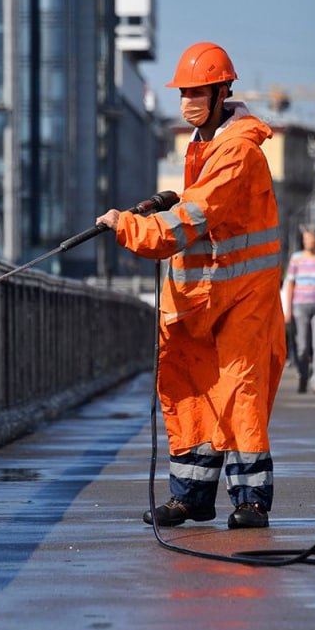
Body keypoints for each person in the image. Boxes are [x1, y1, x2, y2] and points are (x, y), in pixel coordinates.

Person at [96, 41, 285, 530]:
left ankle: (250, 500)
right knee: (189, 387)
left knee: (239, 390)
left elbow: (190, 221)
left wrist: (128, 226)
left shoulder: (237, 152)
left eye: (197, 91)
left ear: (223, 91)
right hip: (201, 296)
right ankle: (193, 497)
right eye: (183, 92)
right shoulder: (205, 147)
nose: (188, 102)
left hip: (240, 296)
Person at [284, 224, 315, 394]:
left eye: (308, 238)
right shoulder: (296, 258)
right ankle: (303, 375)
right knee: (302, 347)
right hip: (300, 306)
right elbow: (290, 284)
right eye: (304, 238)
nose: (305, 241)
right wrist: (287, 310)